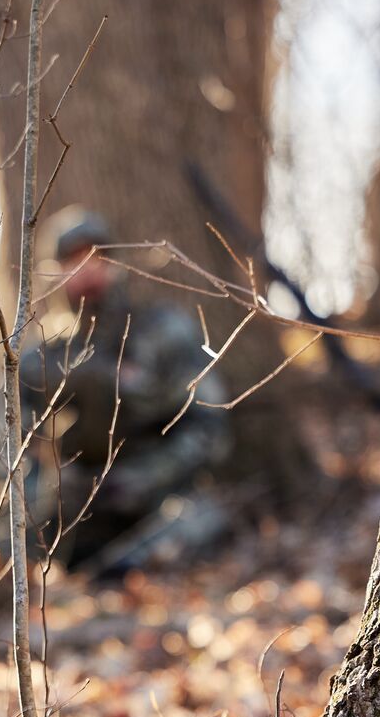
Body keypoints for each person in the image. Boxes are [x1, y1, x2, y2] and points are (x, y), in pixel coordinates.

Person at [20, 208, 232, 577]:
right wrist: (52, 492)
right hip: (72, 509)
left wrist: (146, 477)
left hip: (153, 498)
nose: (87, 268)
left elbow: (210, 427)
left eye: (97, 256)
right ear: (54, 271)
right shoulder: (40, 358)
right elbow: (16, 449)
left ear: (114, 264)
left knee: (201, 518)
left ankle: (117, 574)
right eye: (73, 259)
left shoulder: (165, 330)